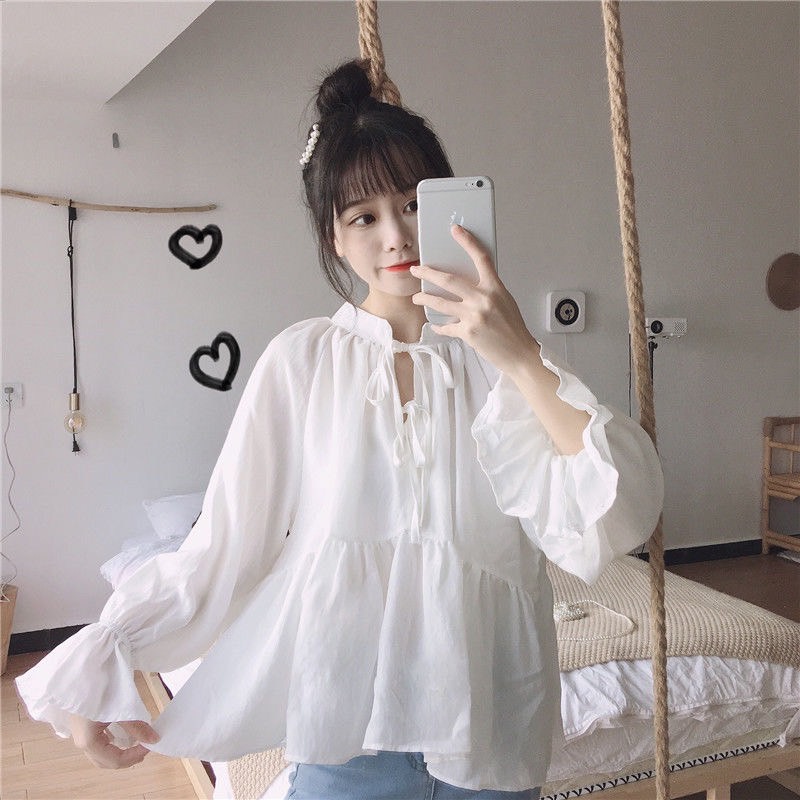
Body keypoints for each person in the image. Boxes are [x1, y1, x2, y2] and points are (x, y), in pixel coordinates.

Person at [17, 60, 663, 800]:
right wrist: (107, 656)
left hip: (492, 727)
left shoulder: (503, 359)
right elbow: (224, 548)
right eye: (364, 217)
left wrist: (517, 352)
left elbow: (619, 514)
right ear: (333, 235)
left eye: (414, 204)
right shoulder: (303, 361)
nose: (397, 235)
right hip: (347, 731)